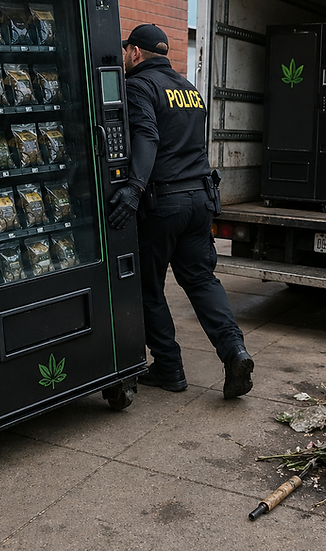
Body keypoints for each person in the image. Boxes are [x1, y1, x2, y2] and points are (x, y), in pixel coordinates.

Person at [109, 23, 254, 399]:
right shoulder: (189, 91)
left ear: (136, 52)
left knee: (148, 287)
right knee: (202, 281)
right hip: (200, 200)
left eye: (126, 51)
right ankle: (234, 351)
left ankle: (169, 367)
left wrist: (134, 188)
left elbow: (147, 136)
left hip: (163, 203)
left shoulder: (138, 86)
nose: (125, 57)